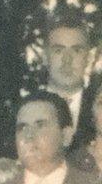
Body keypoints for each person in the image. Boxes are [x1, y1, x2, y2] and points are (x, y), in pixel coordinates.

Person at [39, 15, 97, 151]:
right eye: (58, 50)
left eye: (76, 50)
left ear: (88, 58)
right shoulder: (21, 111)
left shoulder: (98, 110)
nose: (67, 60)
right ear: (45, 57)